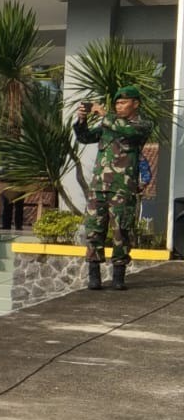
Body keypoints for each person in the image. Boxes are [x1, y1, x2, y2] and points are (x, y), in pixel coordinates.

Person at [74, 85, 150, 291]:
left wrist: (104, 113)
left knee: (121, 232)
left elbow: (125, 130)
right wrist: (81, 120)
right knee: (94, 231)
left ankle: (118, 276)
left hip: (122, 189)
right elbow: (85, 137)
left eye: (123, 102)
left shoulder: (141, 125)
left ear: (136, 104)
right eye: (116, 103)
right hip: (99, 187)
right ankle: (94, 276)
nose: (119, 106)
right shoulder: (108, 125)